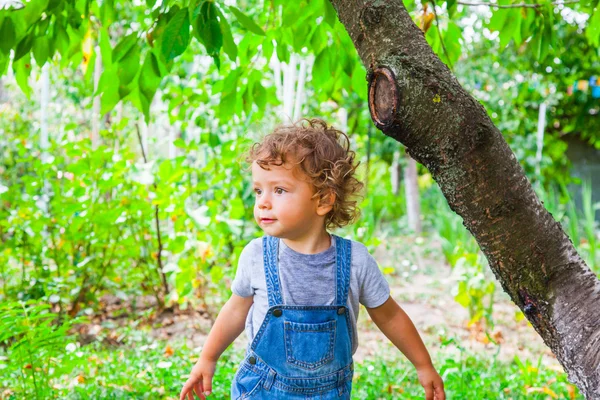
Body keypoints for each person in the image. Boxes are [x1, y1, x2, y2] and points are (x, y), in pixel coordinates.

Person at [179, 118, 446, 400]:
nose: (263, 202)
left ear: (323, 201)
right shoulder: (257, 256)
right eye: (259, 190)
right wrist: (207, 358)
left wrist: (423, 364)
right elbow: (235, 310)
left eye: (279, 190)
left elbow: (389, 315)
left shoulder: (354, 261)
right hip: (262, 392)